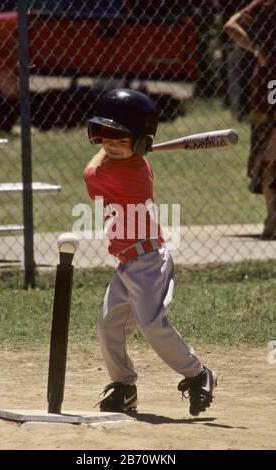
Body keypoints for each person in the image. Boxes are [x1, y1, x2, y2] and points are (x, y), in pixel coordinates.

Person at [83, 88, 217, 416]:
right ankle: (124, 387)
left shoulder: (128, 174)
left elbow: (89, 174)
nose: (110, 143)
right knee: (108, 325)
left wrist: (110, 150)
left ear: (142, 143)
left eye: (119, 137)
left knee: (152, 324)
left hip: (148, 262)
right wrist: (129, 144)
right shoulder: (135, 163)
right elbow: (110, 156)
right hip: (128, 265)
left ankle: (199, 374)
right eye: (103, 135)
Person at [223, 0, 276, 238]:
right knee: (267, 153)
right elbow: (231, 26)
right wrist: (256, 49)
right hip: (270, 84)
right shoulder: (265, 5)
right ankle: (272, 217)